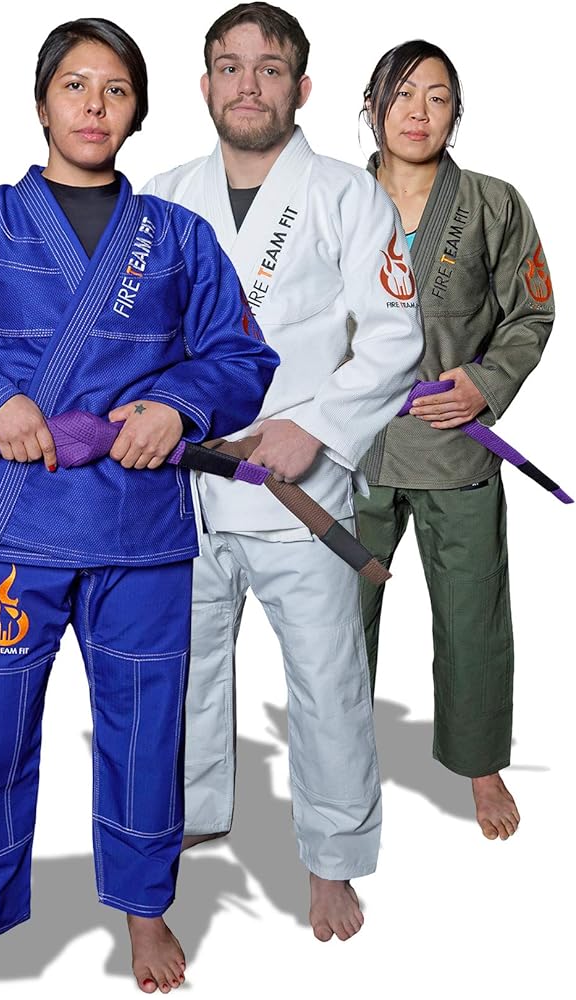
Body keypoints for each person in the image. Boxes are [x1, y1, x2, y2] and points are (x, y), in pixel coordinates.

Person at [0, 17, 278, 994]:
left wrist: (178, 405)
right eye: (74, 85)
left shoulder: (179, 235)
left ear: (138, 111)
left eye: (115, 89)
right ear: (41, 102)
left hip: (143, 529)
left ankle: (144, 907)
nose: (94, 105)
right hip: (19, 524)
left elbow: (240, 355)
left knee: (146, 731)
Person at [142, 2, 422, 941]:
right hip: (182, 485)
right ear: (205, 84)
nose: (248, 85)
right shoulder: (164, 195)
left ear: (301, 88)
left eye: (269, 69)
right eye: (230, 66)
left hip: (297, 487)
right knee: (181, 666)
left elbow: (394, 338)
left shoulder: (348, 196)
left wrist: (319, 428)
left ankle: (334, 857)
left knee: (327, 678)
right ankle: (193, 812)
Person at [356, 40, 554, 842]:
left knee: (473, 616)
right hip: (354, 447)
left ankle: (480, 763)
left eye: (437, 97)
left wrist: (486, 382)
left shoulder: (494, 204)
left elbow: (531, 313)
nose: (418, 112)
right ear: (371, 106)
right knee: (338, 618)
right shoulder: (331, 200)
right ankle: (339, 757)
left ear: (456, 114)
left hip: (454, 442)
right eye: (402, 94)